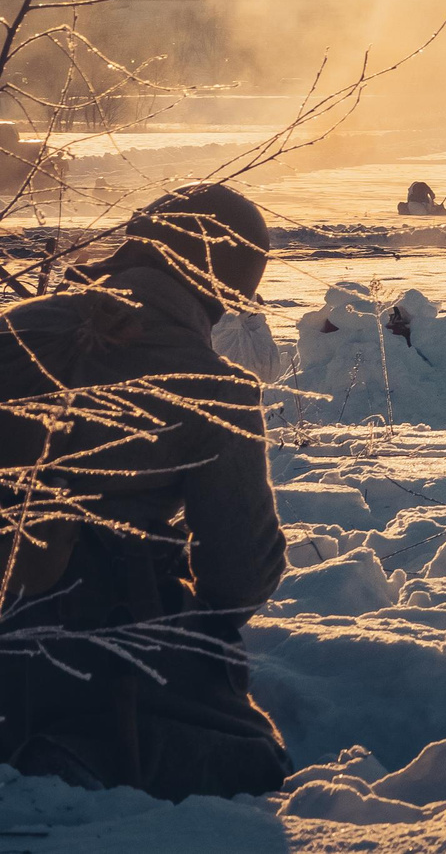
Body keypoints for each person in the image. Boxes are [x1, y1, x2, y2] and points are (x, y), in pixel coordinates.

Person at [0, 182, 290, 799]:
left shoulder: (13, 328)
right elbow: (237, 580)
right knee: (250, 758)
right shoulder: (217, 389)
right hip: (74, 645)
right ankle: (79, 755)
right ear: (226, 290)